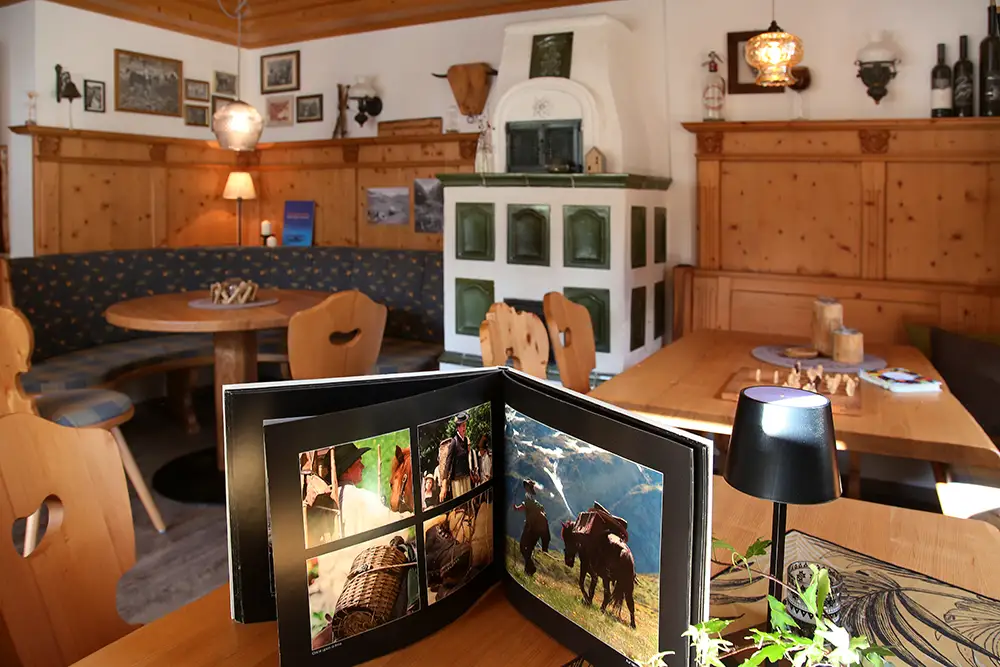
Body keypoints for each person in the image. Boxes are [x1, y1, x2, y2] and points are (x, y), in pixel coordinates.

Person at [303, 442, 408, 544]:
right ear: (347, 469)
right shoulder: (364, 498)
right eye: (358, 463)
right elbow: (397, 526)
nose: (363, 466)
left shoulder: (328, 500)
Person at [513, 479, 550, 576]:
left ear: (528, 487)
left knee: (523, 547)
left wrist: (516, 508)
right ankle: (528, 572)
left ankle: (531, 568)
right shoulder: (533, 499)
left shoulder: (528, 497)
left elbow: (525, 506)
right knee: (529, 549)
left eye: (526, 486)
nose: (525, 487)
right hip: (536, 529)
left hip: (530, 528)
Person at [438, 412, 472, 503]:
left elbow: (466, 460)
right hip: (457, 480)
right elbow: (448, 463)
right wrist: (444, 485)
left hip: (466, 477)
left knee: (468, 503)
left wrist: (471, 473)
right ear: (458, 428)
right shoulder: (454, 442)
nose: (465, 428)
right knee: (460, 505)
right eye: (463, 426)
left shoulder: (465, 440)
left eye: (465, 425)